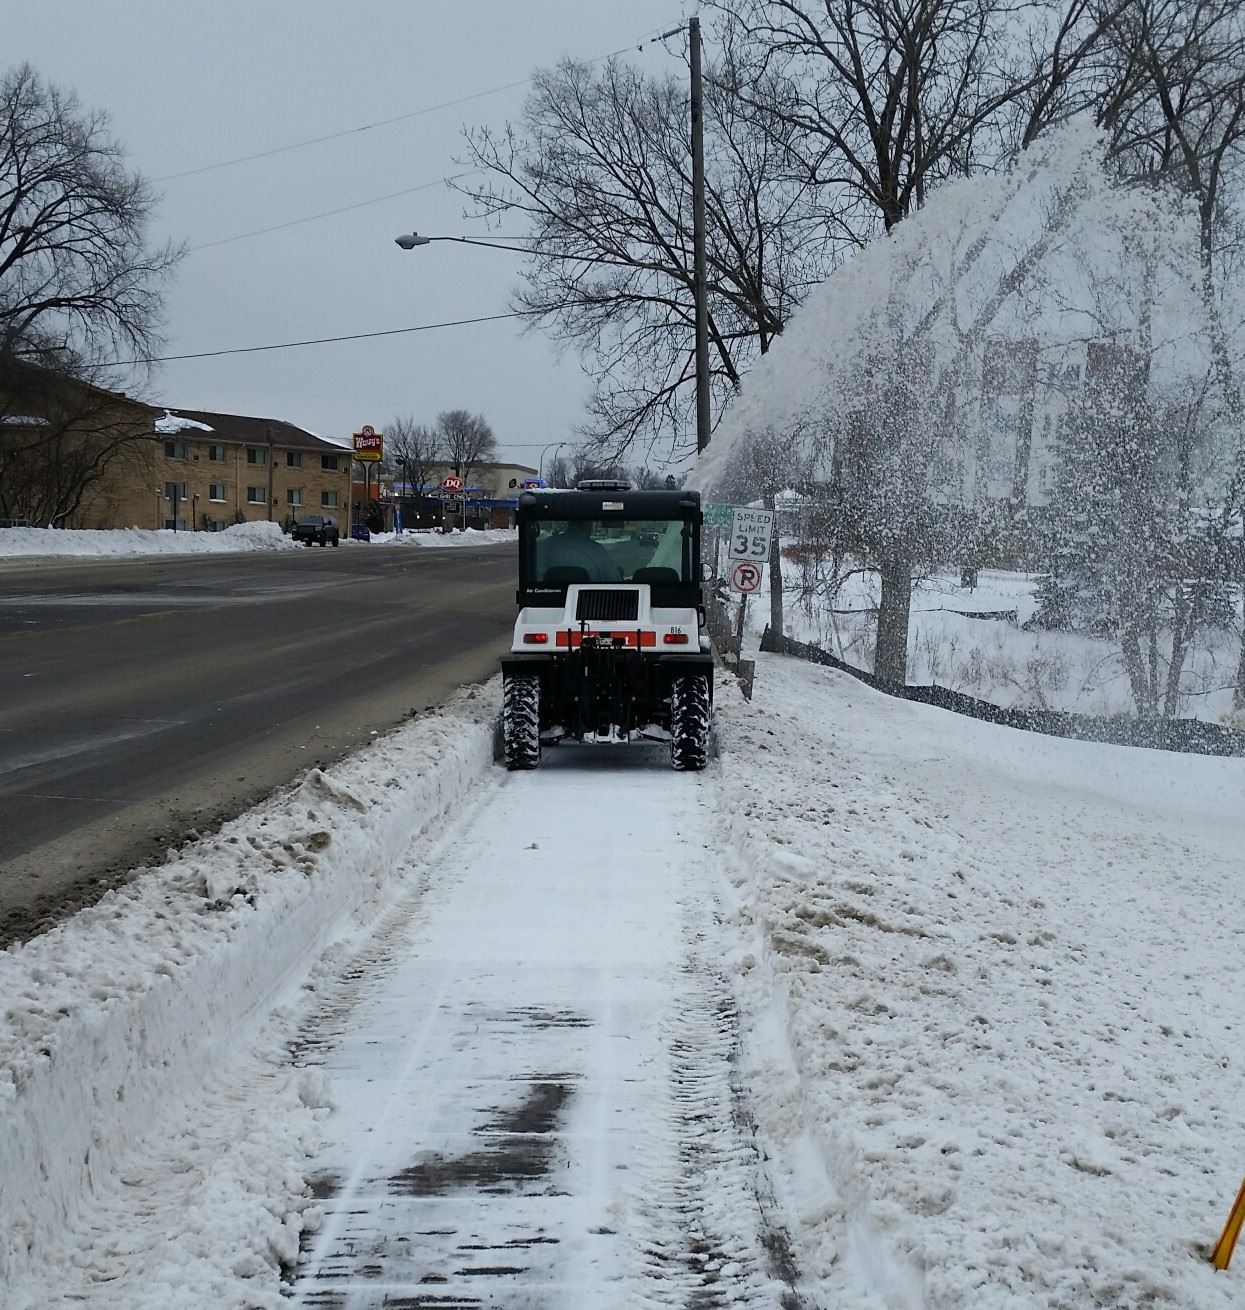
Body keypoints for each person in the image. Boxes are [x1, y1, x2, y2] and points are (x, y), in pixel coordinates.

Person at [537, 518, 623, 582]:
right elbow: (614, 583)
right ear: (589, 524)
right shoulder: (597, 550)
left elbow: (538, 575)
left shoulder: (548, 544)